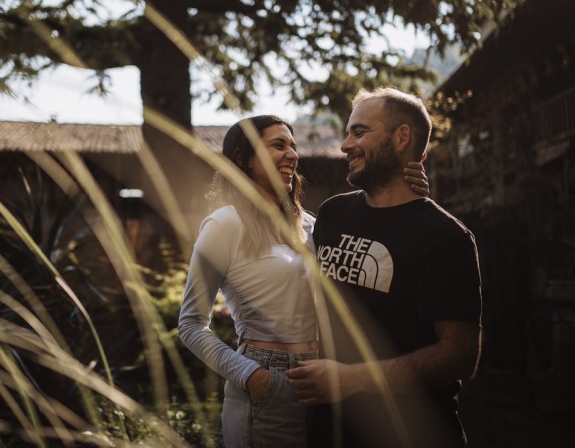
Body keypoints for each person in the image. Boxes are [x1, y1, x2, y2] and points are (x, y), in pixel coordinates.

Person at [177, 115, 429, 447]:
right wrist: (253, 377)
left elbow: (372, 241)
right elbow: (191, 324)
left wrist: (407, 196)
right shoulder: (225, 224)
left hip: (324, 381)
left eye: (293, 146)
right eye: (278, 145)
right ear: (243, 159)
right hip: (265, 386)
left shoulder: (311, 224)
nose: (292, 154)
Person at [286, 88, 482, 447]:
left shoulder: (446, 237)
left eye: (359, 132)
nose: (345, 145)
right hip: (329, 430)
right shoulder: (332, 213)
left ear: (401, 137)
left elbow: (460, 354)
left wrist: (352, 379)